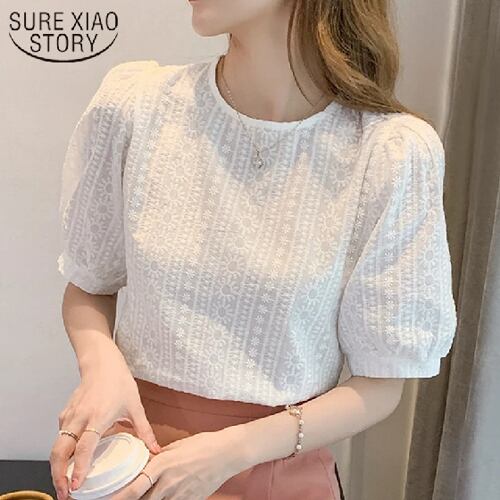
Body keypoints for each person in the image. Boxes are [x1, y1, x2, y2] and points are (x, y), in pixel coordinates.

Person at [49, 0, 458, 499]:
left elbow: (382, 383)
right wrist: (100, 364)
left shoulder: (388, 153)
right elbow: (89, 286)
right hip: (134, 464)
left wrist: (235, 450)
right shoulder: (137, 108)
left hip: (276, 470)